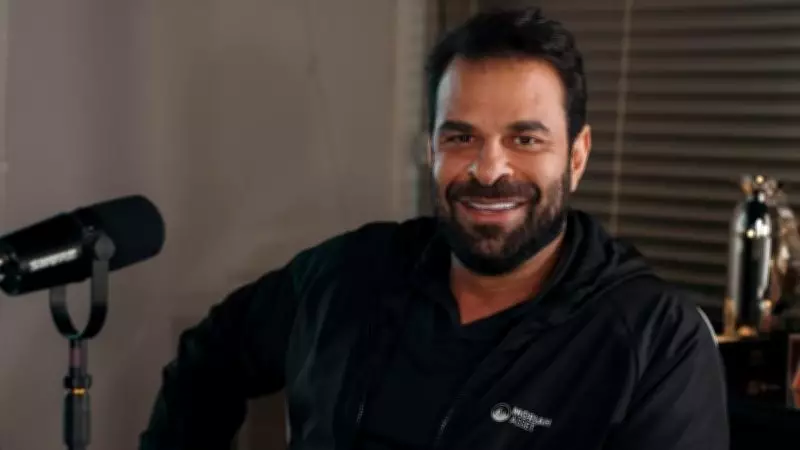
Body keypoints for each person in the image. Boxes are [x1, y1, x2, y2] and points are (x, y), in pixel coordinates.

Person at [140, 7, 729, 450]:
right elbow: (208, 360)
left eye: (525, 139)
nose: (489, 170)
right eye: (461, 137)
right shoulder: (349, 274)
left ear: (576, 156)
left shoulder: (653, 340)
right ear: (430, 149)